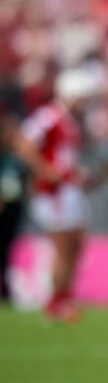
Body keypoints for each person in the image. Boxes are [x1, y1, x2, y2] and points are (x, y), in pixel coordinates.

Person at [11, 69, 100, 322]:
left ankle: (65, 297)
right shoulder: (49, 115)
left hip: (69, 190)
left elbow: (65, 159)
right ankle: (55, 303)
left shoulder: (71, 121)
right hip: (54, 194)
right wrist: (44, 170)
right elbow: (23, 142)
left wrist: (78, 176)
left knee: (75, 245)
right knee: (62, 247)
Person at [0, 101, 29, 306]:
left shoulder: (17, 157)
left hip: (14, 206)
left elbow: (23, 180)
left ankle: (5, 288)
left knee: (7, 248)